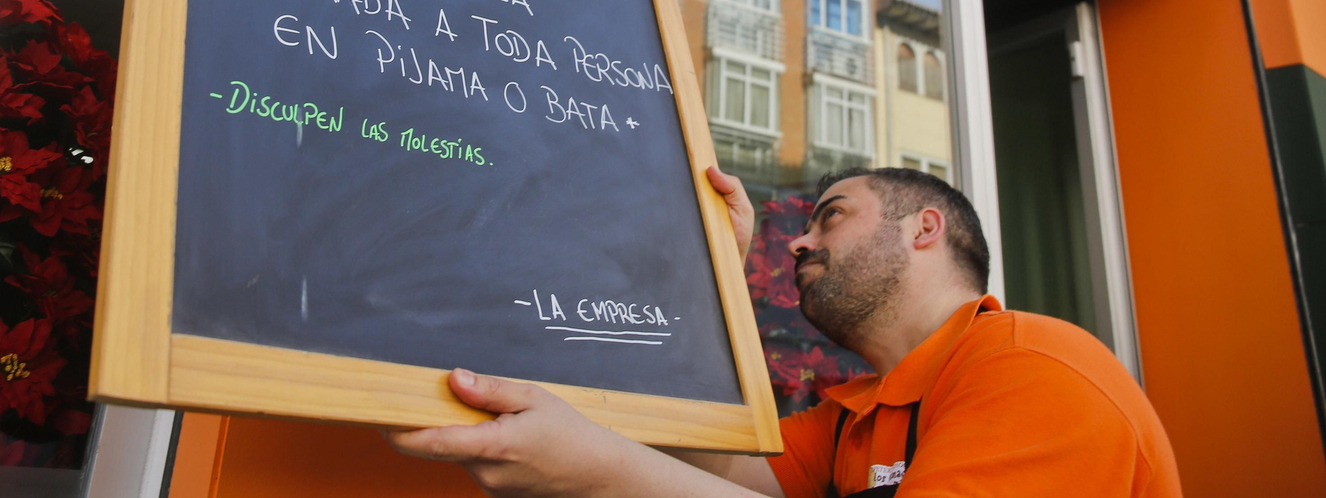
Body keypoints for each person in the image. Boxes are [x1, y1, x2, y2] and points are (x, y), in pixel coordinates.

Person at [386, 165, 1182, 497]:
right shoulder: (857, 416)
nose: (798, 242)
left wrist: (597, 470)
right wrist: (709, 291)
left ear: (925, 229)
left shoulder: (1033, 368)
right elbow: (727, 461)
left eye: (830, 215)